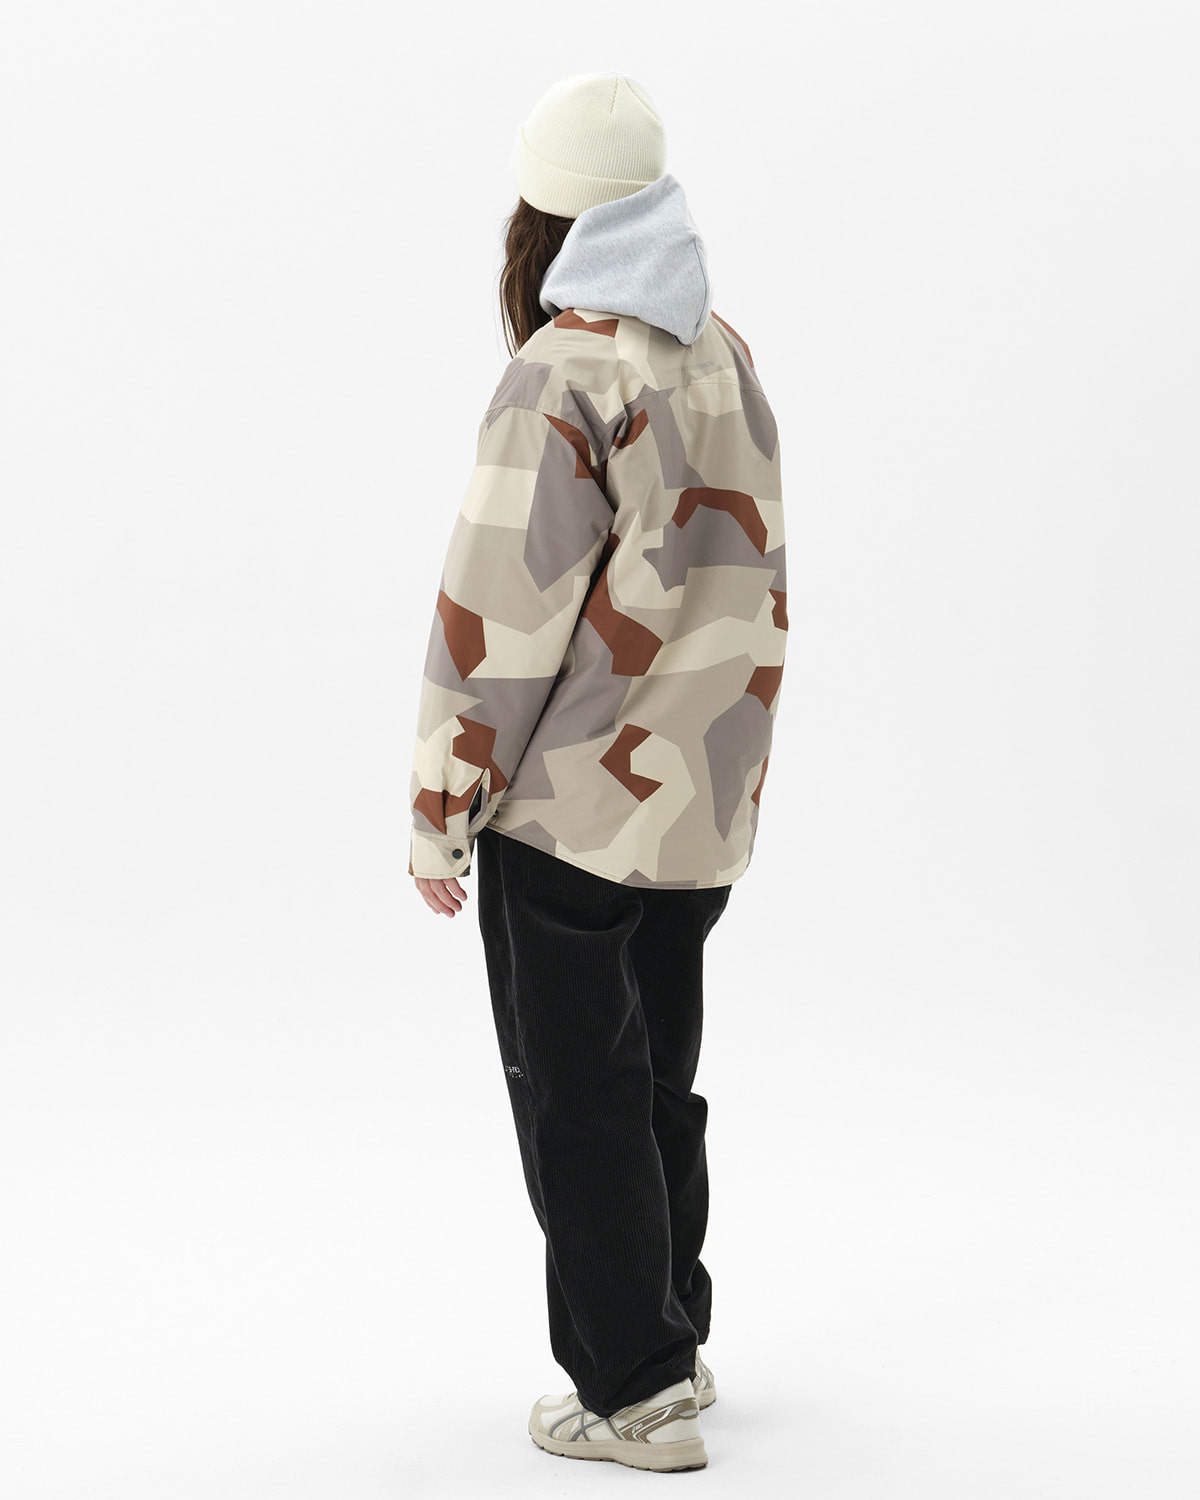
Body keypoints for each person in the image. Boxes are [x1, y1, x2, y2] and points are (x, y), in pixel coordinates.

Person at [407, 72, 788, 1472]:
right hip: (699, 805)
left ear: (542, 211)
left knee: (577, 1098)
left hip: (571, 810)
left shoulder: (562, 372)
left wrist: (443, 807)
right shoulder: (720, 349)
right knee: (655, 1080)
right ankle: (671, 1340)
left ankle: (632, 1390)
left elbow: (497, 616)